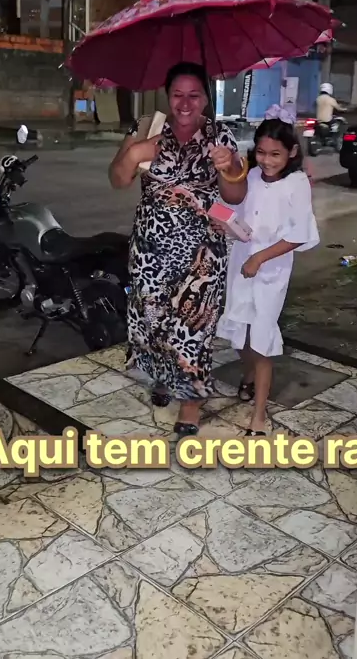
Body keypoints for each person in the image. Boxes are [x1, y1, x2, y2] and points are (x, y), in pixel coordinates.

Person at [109, 62, 247, 439]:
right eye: (177, 95)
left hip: (201, 250)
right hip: (151, 248)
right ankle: (164, 375)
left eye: (194, 95)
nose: (185, 103)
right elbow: (118, 179)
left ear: (206, 98)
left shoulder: (220, 136)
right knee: (154, 320)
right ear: (167, 95)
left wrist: (230, 167)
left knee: (193, 326)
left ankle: (190, 402)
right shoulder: (147, 128)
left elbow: (236, 195)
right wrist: (134, 153)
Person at [216, 105, 319, 435]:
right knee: (238, 331)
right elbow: (239, 211)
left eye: (275, 154)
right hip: (241, 261)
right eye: (261, 152)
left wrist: (260, 258)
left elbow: (299, 234)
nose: (267, 160)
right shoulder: (251, 175)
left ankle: (258, 416)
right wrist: (227, 227)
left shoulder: (297, 183)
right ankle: (248, 374)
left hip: (271, 270)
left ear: (291, 152)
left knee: (261, 339)